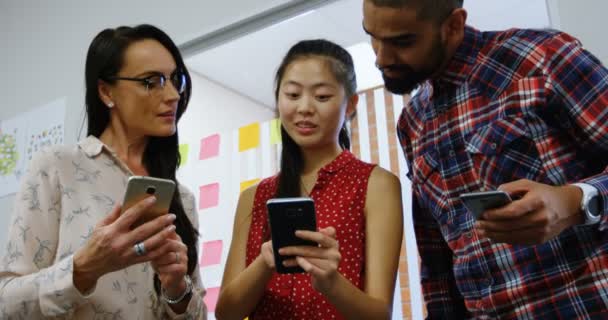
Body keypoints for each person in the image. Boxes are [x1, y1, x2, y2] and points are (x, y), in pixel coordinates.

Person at [363, 0, 608, 318]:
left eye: (403, 41)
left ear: (453, 25)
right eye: (372, 36)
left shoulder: (541, 59)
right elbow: (440, 265)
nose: (381, 58)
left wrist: (575, 203)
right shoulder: (412, 123)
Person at [0, 24, 207, 319]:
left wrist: (176, 289)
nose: (173, 94)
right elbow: (6, 304)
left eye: (176, 79)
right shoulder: (57, 167)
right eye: (152, 81)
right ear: (106, 91)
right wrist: (86, 267)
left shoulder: (181, 198)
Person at [215, 39, 403, 320]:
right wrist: (266, 262)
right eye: (292, 95)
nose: (304, 108)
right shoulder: (254, 197)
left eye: (322, 96)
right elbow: (226, 313)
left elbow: (379, 313)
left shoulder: (376, 184)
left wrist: (331, 282)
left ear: (351, 104)